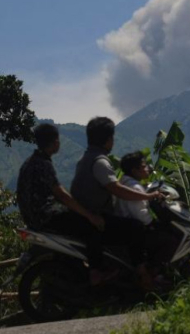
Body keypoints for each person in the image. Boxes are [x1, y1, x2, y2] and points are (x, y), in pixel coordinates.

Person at [70, 117, 164, 289]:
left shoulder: (85, 159)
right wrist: (148, 197)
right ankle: (143, 277)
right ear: (107, 140)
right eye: (112, 137)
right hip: (95, 217)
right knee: (135, 228)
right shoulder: (100, 162)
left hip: (84, 216)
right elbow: (117, 189)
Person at [16, 123, 110, 285]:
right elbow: (62, 195)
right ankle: (96, 271)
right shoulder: (43, 164)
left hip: (32, 219)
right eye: (58, 140)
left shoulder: (29, 162)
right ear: (54, 142)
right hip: (46, 216)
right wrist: (90, 215)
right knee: (91, 226)